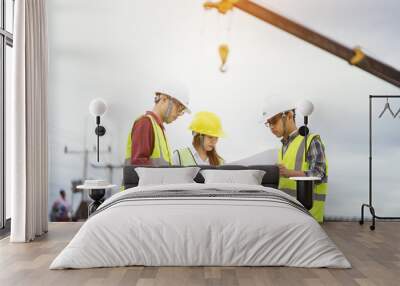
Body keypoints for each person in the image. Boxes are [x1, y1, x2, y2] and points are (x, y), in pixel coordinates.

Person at [262, 98, 328, 222]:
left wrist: (288, 173)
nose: (271, 127)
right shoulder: (284, 146)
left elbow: (319, 174)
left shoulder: (311, 141)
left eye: (274, 121)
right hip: (289, 214)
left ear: (289, 116)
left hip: (308, 216)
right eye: (268, 123)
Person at [125, 82, 191, 166]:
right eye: (179, 108)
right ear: (164, 99)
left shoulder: (158, 129)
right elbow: (139, 167)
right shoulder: (145, 123)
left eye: (182, 111)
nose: (179, 114)